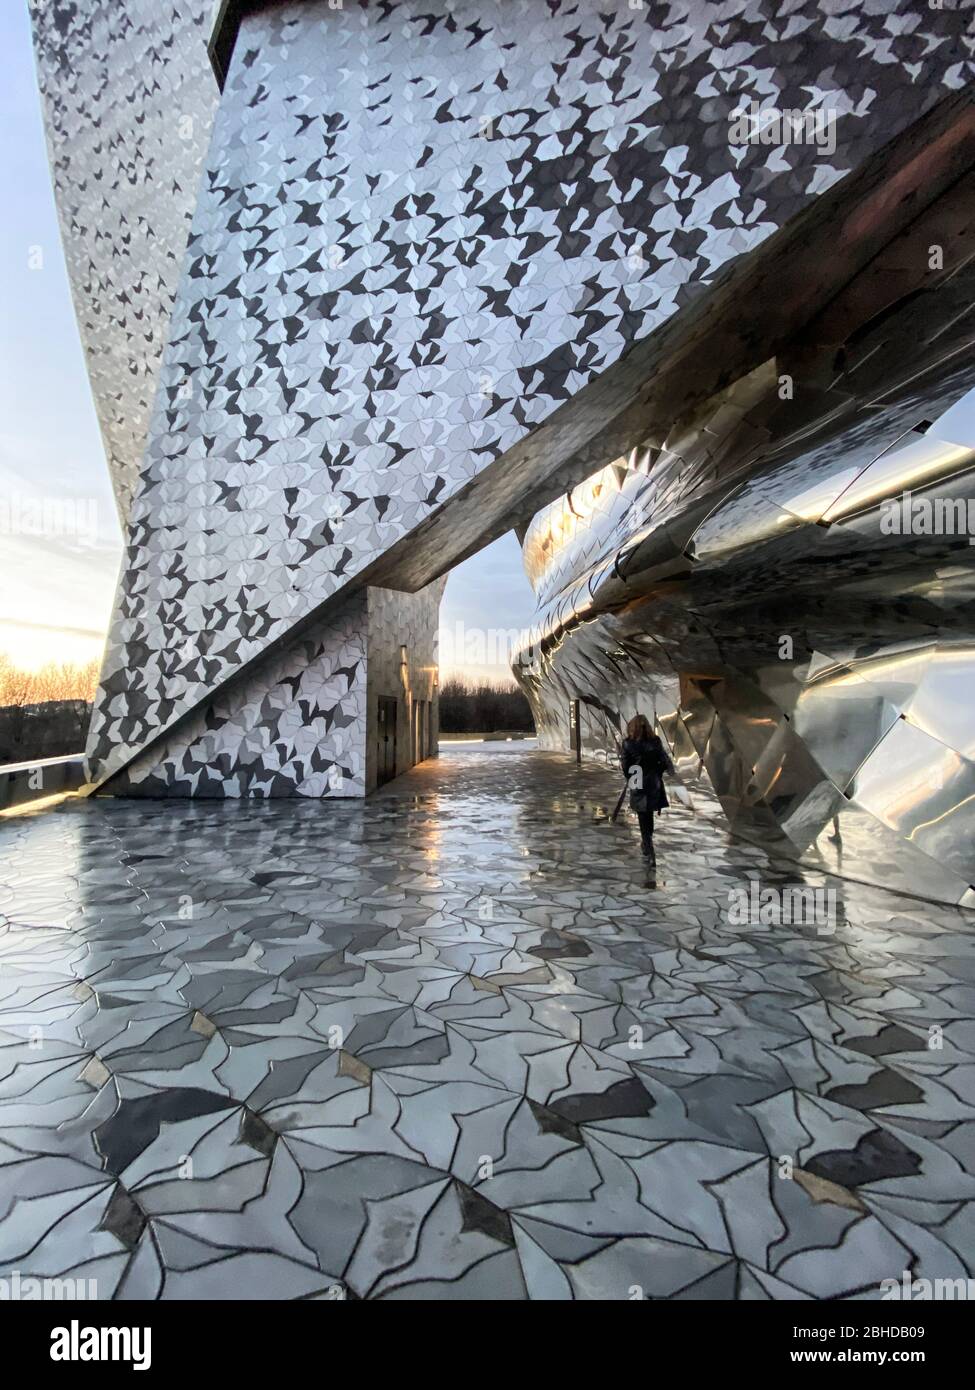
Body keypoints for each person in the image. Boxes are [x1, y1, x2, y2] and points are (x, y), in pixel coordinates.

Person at [620, 714, 674, 865]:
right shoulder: (655, 741)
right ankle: (647, 842)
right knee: (648, 813)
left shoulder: (628, 744)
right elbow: (663, 761)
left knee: (643, 814)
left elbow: (625, 766)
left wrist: (631, 777)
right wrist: (657, 772)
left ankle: (648, 845)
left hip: (637, 782)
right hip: (653, 783)